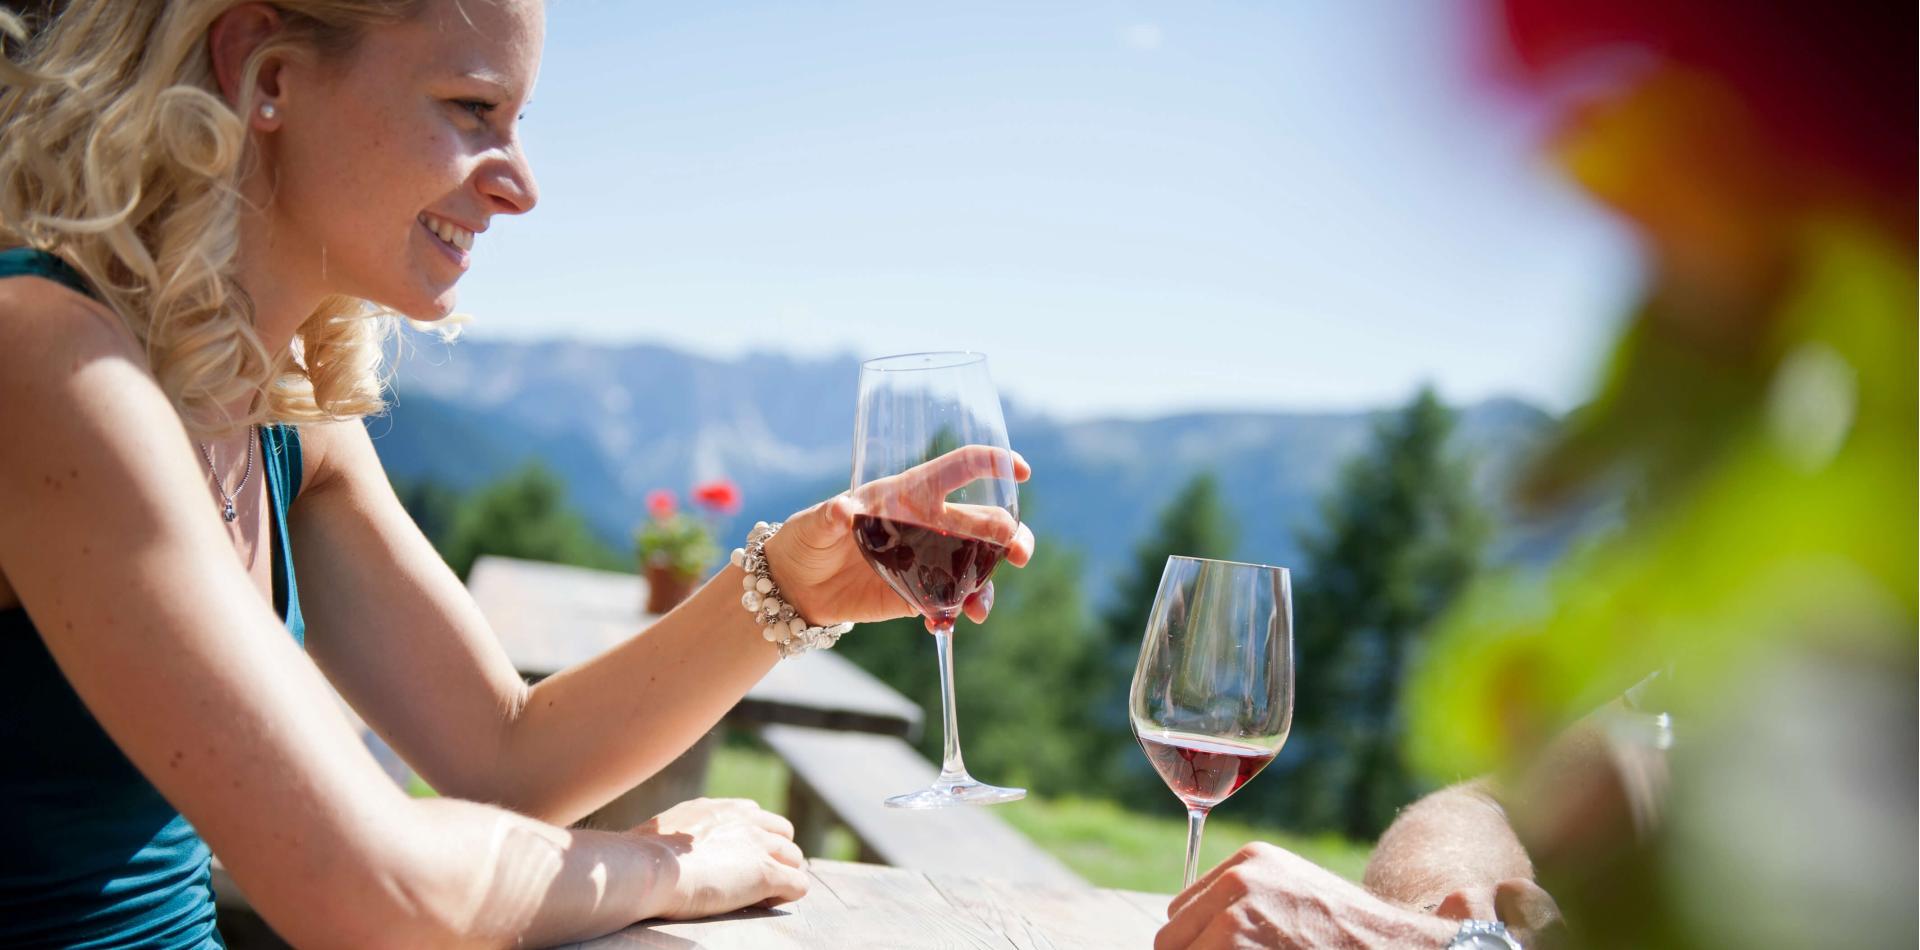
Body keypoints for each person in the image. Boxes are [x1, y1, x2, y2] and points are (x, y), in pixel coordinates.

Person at [0, 1, 1033, 946]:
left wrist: (790, 588)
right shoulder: (47, 356)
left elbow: (504, 757)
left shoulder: (283, 413)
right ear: (264, 73)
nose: (521, 182)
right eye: (471, 108)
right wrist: (661, 866)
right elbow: (367, 888)